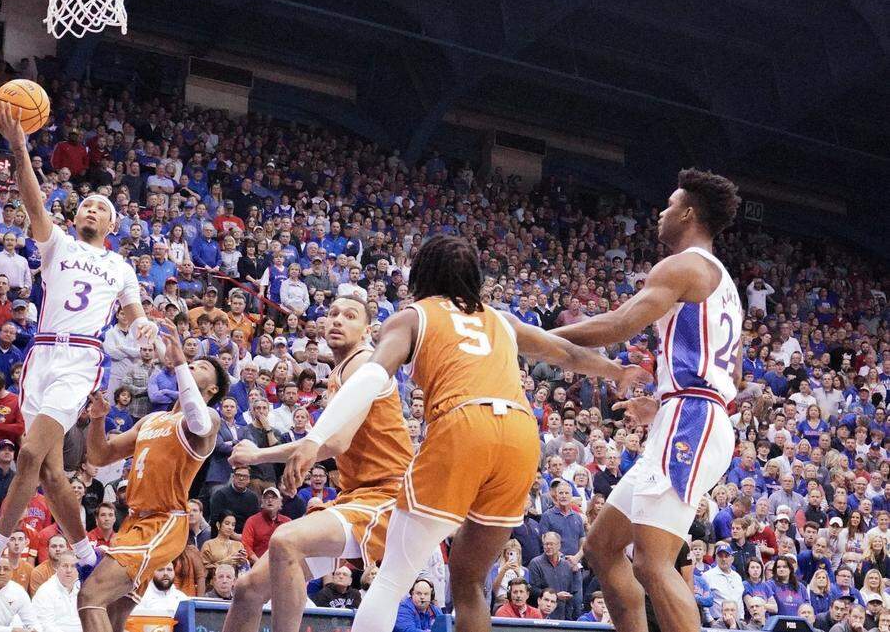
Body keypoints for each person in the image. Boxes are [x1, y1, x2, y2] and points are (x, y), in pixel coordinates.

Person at [277, 235, 646, 632]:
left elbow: (371, 374)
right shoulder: (501, 319)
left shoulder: (414, 315)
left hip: (464, 421)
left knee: (390, 579)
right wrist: (618, 372)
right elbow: (567, 353)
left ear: (421, 274)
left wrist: (316, 437)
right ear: (474, 277)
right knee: (469, 578)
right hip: (522, 435)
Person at [0, 104, 159, 594]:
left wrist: (146, 328)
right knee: (48, 470)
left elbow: (135, 318)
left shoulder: (121, 268)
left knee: (28, 455)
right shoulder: (58, 244)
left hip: (80, 360)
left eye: (101, 209)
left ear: (112, 225)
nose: (91, 210)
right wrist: (20, 147)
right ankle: (87, 556)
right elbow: (31, 199)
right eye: (86, 205)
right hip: (40, 357)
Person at [552, 169, 743, 632]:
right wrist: (665, 400)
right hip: (690, 411)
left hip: (692, 417)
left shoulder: (683, 265)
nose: (661, 212)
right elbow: (730, 373)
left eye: (669, 204)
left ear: (688, 213)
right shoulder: (725, 285)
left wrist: (533, 336)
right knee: (601, 548)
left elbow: (620, 324)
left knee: (653, 562)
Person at [225, 293, 415, 632]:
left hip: (387, 496)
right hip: (354, 495)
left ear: (368, 329)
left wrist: (258, 455)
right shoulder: (340, 370)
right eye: (333, 313)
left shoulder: (364, 364)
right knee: (248, 589)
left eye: (350, 315)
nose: (338, 320)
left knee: (286, 539)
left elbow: (335, 442)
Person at [75, 320, 226, 632]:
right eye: (191, 363)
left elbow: (197, 421)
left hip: (164, 520)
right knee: (114, 616)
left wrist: (182, 362)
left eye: (199, 367)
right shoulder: (153, 418)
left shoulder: (207, 417)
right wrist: (99, 419)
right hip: (134, 521)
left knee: (90, 597)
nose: (191, 366)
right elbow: (100, 455)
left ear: (211, 389)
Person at [31, 551, 81, 632]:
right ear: (57, 567)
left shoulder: (82, 588)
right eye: (65, 566)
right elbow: (46, 625)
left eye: (73, 566)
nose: (69, 570)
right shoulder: (46, 591)